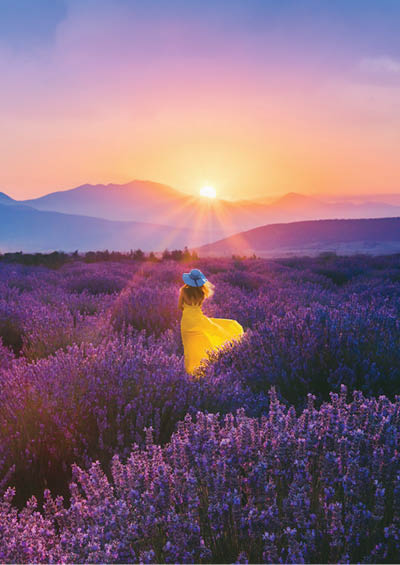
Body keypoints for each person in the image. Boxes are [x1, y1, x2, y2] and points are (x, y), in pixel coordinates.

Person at [179, 268, 244, 375]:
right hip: (198, 319)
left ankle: (191, 374)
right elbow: (197, 308)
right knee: (218, 331)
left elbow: (180, 306)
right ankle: (202, 373)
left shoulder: (183, 291)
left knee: (189, 348)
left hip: (186, 321)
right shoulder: (200, 292)